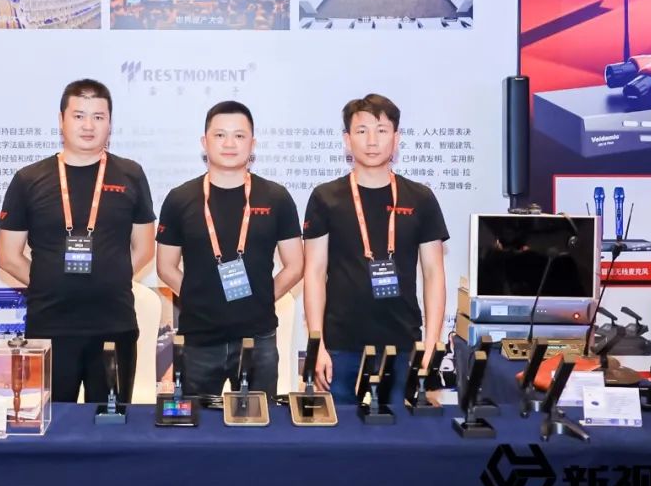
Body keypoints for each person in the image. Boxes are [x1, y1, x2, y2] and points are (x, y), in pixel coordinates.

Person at [0, 79, 156, 403]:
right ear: (61, 120)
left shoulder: (130, 174)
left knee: (111, 422)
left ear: (110, 123)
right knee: (53, 423)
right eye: (79, 115)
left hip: (114, 324)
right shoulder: (29, 179)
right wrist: (50, 283)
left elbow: (145, 247)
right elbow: (8, 255)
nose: (88, 126)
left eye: (98, 117)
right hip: (50, 326)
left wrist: (109, 278)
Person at [302, 94, 448, 405]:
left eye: (381, 131)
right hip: (340, 345)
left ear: (396, 138)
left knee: (400, 431)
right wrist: (317, 345)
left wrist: (432, 342)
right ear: (347, 140)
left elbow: (434, 273)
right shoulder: (325, 197)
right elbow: (313, 273)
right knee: (339, 431)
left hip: (402, 344)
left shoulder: (420, 198)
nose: (372, 141)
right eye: (362, 130)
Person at [156, 102, 303, 398]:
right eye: (220, 135)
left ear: (252, 144)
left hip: (258, 337)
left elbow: (296, 264)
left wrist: (263, 297)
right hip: (199, 337)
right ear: (204, 142)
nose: (229, 144)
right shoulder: (180, 199)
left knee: (258, 421)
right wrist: (199, 298)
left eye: (239, 136)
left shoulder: (276, 197)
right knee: (196, 423)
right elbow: (165, 266)